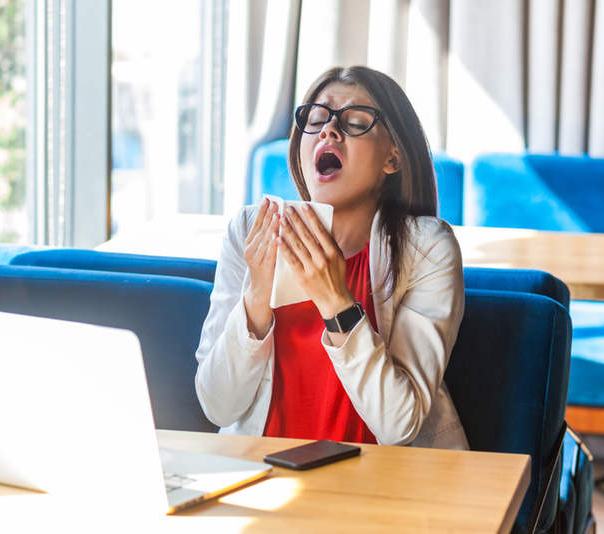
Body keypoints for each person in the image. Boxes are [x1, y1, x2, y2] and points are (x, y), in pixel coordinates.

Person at [195, 65, 468, 449]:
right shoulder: (248, 231)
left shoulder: (427, 248)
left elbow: (398, 426)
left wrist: (334, 300)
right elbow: (217, 407)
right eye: (316, 118)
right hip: (262, 478)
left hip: (385, 487)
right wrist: (257, 296)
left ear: (393, 158)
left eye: (355, 121)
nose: (328, 130)